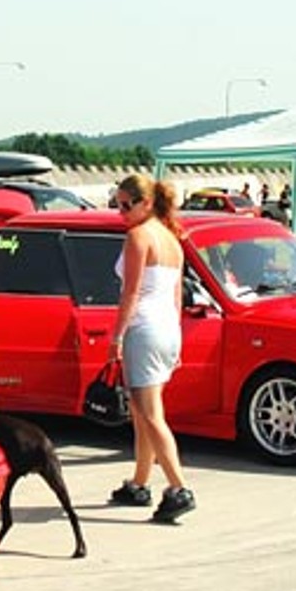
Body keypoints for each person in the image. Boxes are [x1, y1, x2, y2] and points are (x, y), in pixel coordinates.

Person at [108, 173, 196, 523]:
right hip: (166, 329)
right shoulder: (172, 239)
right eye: (117, 205)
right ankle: (139, 482)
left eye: (126, 205)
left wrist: (116, 337)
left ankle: (179, 487)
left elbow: (130, 293)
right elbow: (176, 295)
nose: (121, 212)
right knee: (143, 411)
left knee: (150, 415)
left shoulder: (138, 237)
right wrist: (176, 336)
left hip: (143, 329)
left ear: (145, 203)